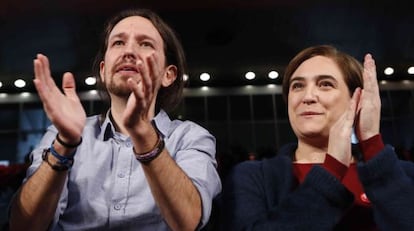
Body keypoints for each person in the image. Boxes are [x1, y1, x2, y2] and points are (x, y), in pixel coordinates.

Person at [8, 8, 221, 231]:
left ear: (168, 75)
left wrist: (143, 134)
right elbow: (23, 226)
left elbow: (189, 221)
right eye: (118, 43)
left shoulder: (191, 137)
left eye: (145, 44)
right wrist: (65, 144)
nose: (128, 51)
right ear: (103, 70)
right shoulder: (60, 136)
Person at [220, 45, 414, 230]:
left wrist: (372, 144)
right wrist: (332, 170)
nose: (308, 96)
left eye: (325, 84)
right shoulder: (253, 178)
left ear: (357, 100)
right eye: (297, 86)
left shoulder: (404, 174)